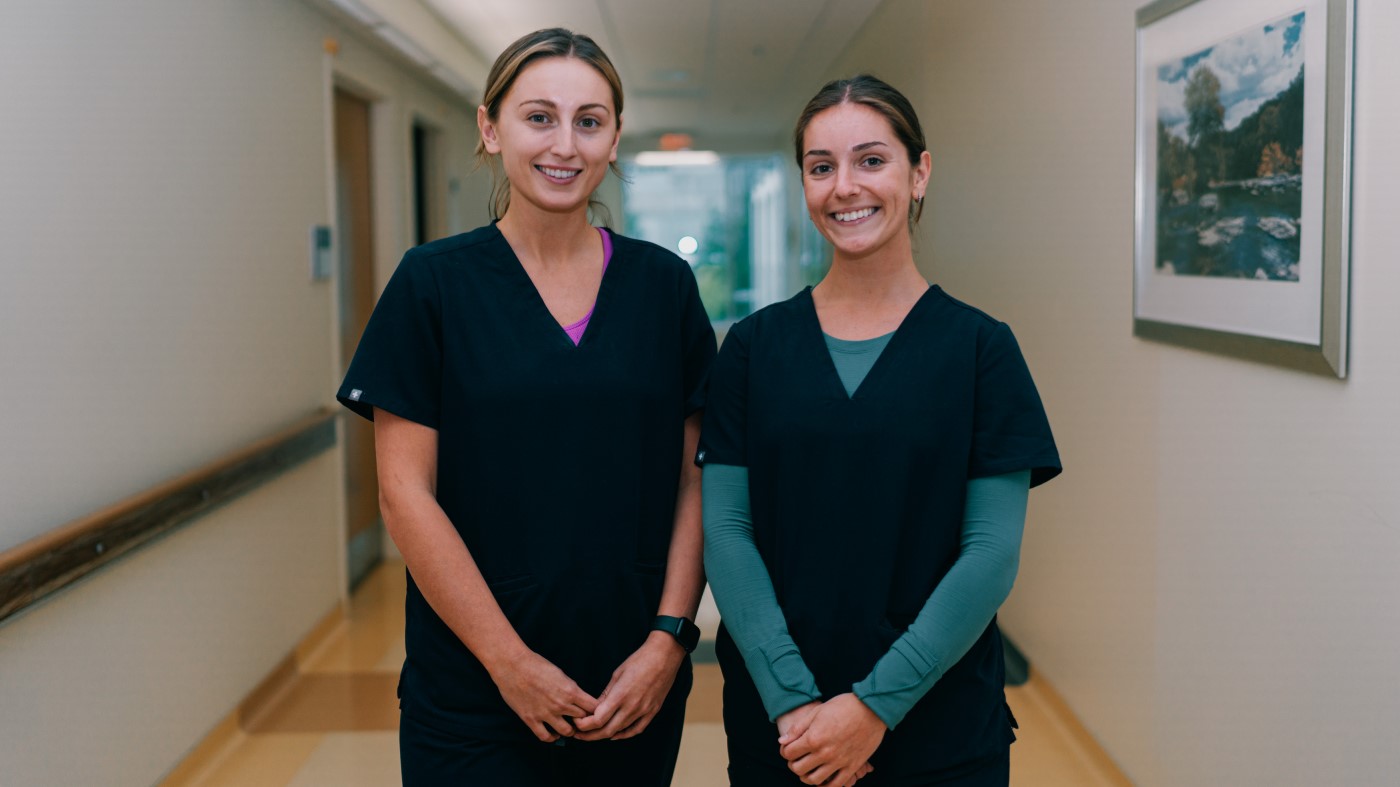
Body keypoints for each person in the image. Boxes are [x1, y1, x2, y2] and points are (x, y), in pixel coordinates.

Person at [336, 28, 715, 786]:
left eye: (590, 120)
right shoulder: (432, 285)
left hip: (628, 686)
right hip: (473, 690)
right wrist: (508, 663)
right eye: (538, 116)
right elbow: (403, 492)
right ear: (490, 127)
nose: (564, 145)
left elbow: (698, 478)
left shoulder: (662, 288)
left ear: (614, 139)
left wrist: (669, 640)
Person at [699, 74, 1062, 787]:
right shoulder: (752, 348)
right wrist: (795, 701)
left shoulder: (981, 350)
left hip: (940, 728)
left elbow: (989, 554)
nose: (845, 188)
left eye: (871, 160)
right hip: (785, 732)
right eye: (821, 166)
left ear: (918, 173)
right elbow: (727, 531)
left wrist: (871, 707)